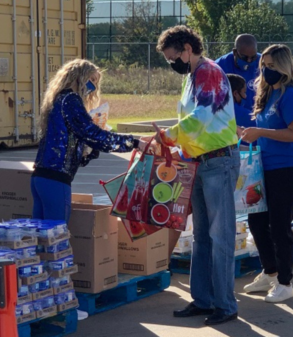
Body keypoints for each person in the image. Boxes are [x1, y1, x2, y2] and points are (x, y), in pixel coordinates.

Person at [154, 25, 240, 325]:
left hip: (218, 162)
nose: (172, 63)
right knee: (202, 236)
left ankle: (225, 304)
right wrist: (179, 148)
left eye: (172, 57)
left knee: (220, 236)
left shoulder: (208, 72)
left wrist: (170, 136)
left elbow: (201, 117)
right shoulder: (193, 77)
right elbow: (195, 121)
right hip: (201, 162)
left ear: (187, 49)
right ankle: (203, 299)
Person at [32, 59, 147, 223]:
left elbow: (78, 140)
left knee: (41, 238)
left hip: (41, 176)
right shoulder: (71, 100)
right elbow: (93, 135)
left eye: (96, 82)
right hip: (56, 178)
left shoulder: (58, 100)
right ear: (78, 76)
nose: (93, 85)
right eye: (91, 79)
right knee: (57, 238)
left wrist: (88, 150)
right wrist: (133, 142)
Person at [240, 44, 293, 301]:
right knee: (257, 222)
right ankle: (269, 271)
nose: (267, 71)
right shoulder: (268, 94)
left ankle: (285, 283)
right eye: (264, 66)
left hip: (288, 169)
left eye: (271, 66)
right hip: (265, 168)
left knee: (279, 226)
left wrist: (260, 133)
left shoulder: (290, 95)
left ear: (284, 67)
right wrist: (247, 133)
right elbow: (265, 130)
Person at [216, 34, 261, 138]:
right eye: (245, 57)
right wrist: (250, 118)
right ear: (235, 52)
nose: (249, 61)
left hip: (257, 115)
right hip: (231, 117)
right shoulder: (220, 67)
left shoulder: (262, 62)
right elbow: (219, 103)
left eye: (253, 57)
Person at [226, 74, 252, 145]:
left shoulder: (210, 112)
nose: (245, 96)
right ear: (235, 93)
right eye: (244, 92)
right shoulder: (249, 116)